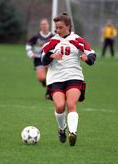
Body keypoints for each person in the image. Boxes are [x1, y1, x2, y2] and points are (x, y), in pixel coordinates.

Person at [41, 13, 97, 146]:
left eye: (60, 27)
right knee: (60, 106)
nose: (57, 30)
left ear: (68, 26)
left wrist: (86, 59)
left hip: (74, 77)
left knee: (71, 104)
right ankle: (62, 129)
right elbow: (43, 59)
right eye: (56, 28)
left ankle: (73, 133)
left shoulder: (77, 40)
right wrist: (52, 55)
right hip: (56, 79)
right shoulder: (52, 42)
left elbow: (92, 56)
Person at [25, 18, 54, 99]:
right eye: (42, 24)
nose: (44, 26)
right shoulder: (36, 37)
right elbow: (28, 45)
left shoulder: (53, 37)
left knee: (50, 76)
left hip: (49, 59)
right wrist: (30, 53)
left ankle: (48, 93)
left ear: (48, 25)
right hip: (38, 59)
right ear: (40, 26)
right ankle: (45, 84)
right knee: (41, 78)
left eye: (45, 24)